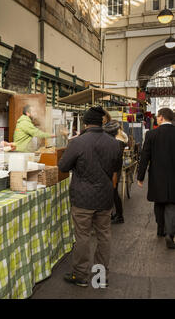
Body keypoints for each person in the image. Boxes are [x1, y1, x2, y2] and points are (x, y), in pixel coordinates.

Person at [58, 106, 122, 287]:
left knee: (83, 236)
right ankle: (100, 276)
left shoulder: (78, 142)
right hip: (105, 197)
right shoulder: (113, 142)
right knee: (104, 236)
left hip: (82, 198)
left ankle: (80, 276)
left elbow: (63, 167)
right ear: (101, 122)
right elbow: (116, 168)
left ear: (85, 123)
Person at [137, 108, 175, 249]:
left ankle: (161, 229)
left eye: (157, 117)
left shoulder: (151, 134)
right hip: (173, 176)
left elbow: (145, 157)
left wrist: (140, 176)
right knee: (171, 203)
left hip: (157, 176)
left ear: (161, 118)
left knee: (159, 202)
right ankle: (170, 233)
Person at [103, 120, 128, 224]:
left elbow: (116, 160)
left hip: (114, 171)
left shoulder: (117, 142)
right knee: (113, 193)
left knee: (113, 192)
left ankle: (119, 216)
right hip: (115, 170)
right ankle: (116, 214)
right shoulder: (119, 140)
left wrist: (113, 175)